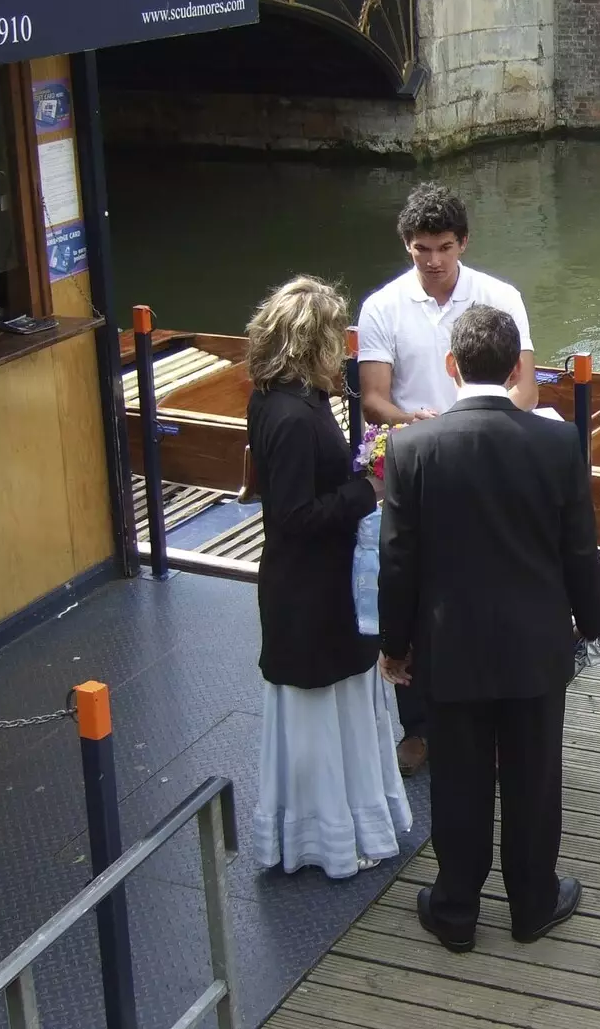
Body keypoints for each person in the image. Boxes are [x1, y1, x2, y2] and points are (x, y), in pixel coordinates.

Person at [377, 304, 600, 951]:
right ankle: (533, 903)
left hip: (451, 647)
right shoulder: (557, 442)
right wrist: (593, 621)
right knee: (534, 778)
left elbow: (397, 560)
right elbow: (578, 549)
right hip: (535, 646)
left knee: (459, 779)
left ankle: (455, 910)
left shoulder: (411, 446)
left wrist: (395, 647)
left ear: (452, 366)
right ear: (515, 368)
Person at [357, 182, 539, 778]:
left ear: (463, 242)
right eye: (420, 249)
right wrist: (416, 422)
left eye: (442, 247)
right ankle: (418, 725)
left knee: (483, 589)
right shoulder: (383, 306)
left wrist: (468, 427)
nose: (432, 261)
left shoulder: (500, 296)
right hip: (418, 467)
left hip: (485, 464)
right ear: (406, 246)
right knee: (411, 590)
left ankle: (482, 716)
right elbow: (374, 400)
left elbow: (526, 390)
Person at [246, 276, 413, 880]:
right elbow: (291, 517)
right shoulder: (292, 417)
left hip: (321, 584)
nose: (343, 352)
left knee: (338, 703)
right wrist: (366, 488)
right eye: (334, 340)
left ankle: (337, 826)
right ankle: (331, 836)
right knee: (322, 713)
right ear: (312, 344)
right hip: (309, 590)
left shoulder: (282, 398)